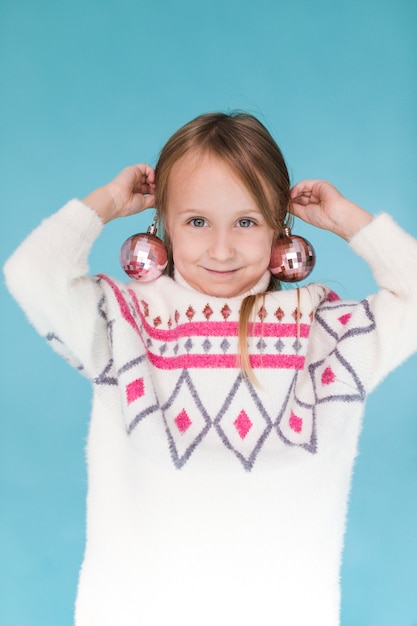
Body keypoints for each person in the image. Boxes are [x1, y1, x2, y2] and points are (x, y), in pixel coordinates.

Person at [4, 112, 417, 626]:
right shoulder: (126, 324)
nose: (221, 249)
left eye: (246, 222)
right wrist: (108, 202)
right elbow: (30, 272)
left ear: (278, 229)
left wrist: (349, 221)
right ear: (163, 227)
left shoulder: (321, 332)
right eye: (197, 221)